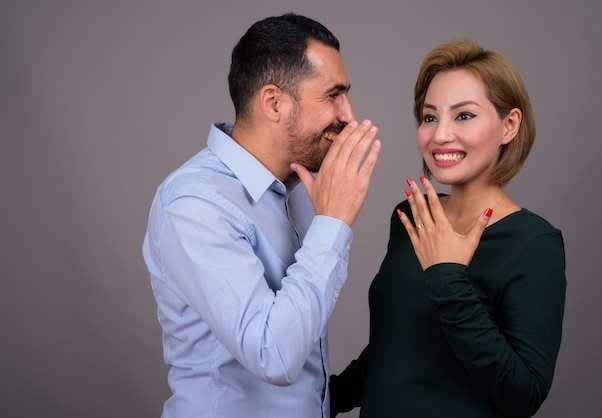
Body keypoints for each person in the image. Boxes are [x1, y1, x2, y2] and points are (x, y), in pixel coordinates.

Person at [142, 13, 381, 418]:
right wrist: (334, 223)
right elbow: (275, 355)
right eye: (333, 95)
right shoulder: (195, 203)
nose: (349, 116)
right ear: (274, 102)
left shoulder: (304, 190)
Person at [330, 39, 566, 417]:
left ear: (509, 125)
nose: (440, 135)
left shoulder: (533, 243)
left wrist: (449, 279)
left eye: (464, 115)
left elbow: (523, 395)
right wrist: (321, 400)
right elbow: (397, 346)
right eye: (429, 117)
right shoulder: (410, 215)